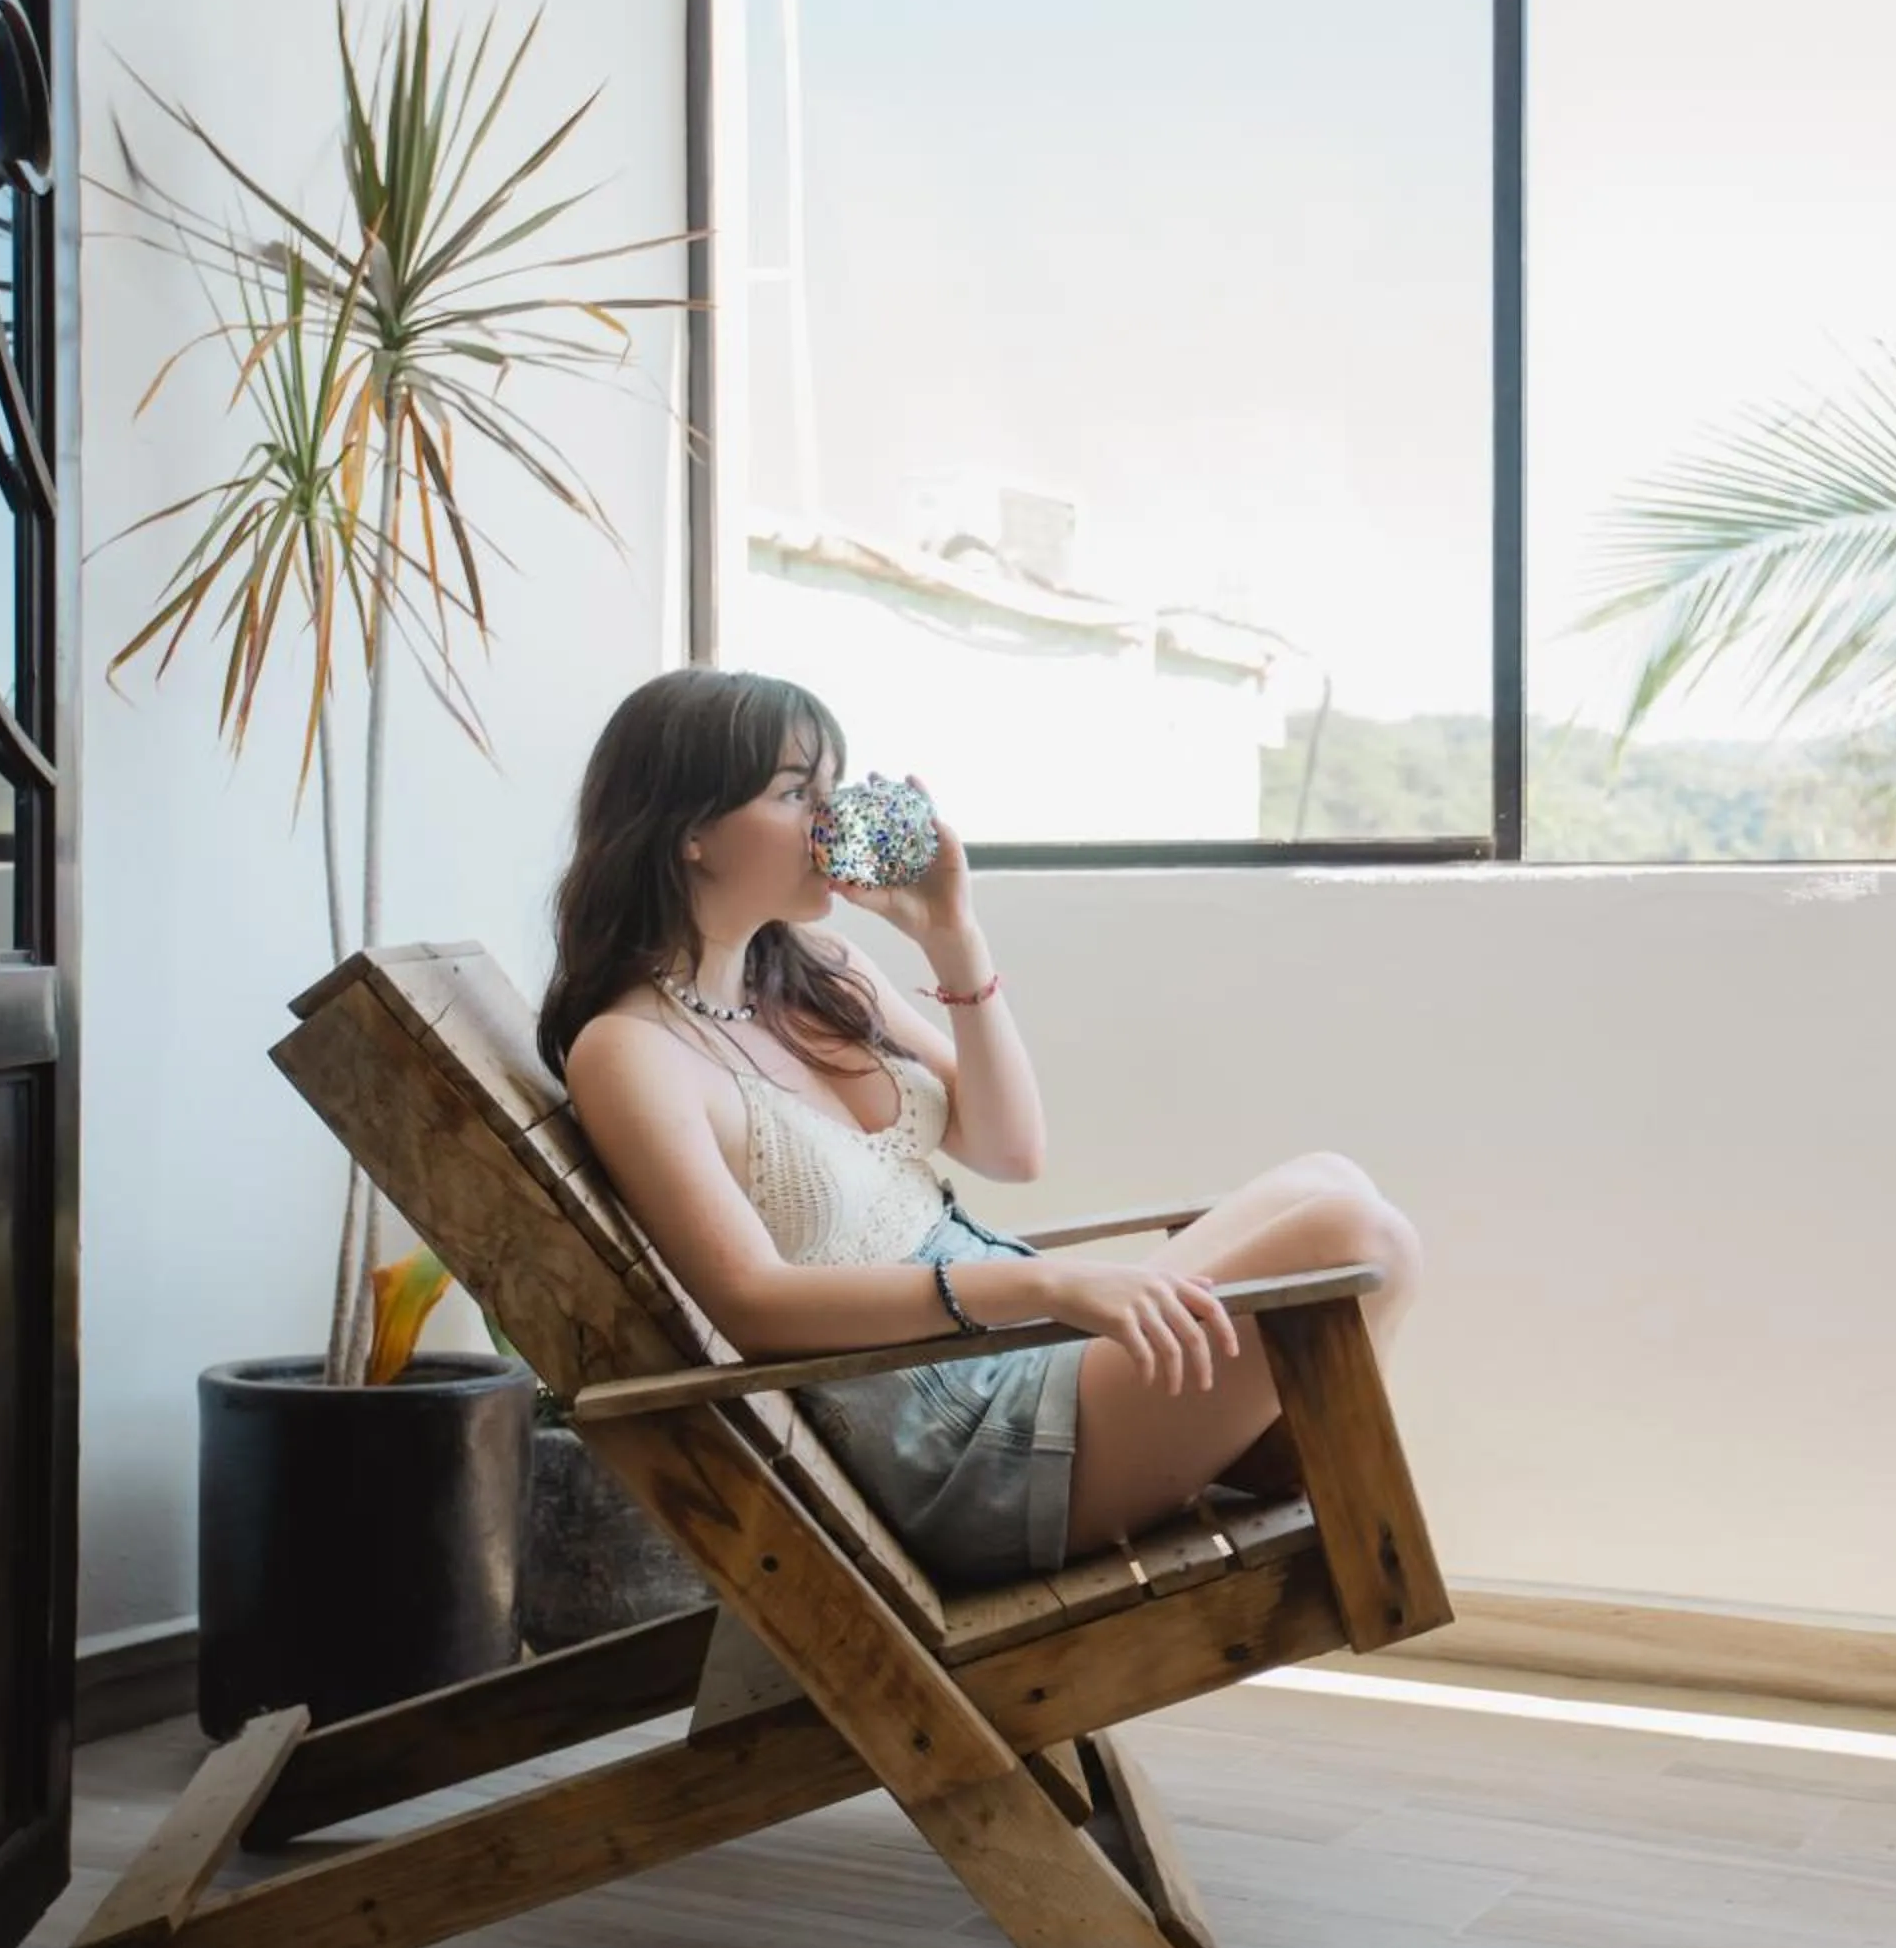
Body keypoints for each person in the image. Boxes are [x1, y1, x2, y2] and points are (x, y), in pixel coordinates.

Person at [537, 668, 1422, 1587]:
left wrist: (951, 938)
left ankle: (1259, 1445)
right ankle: (1299, 1474)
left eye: (831, 790)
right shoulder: (631, 1051)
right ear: (689, 831)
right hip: (956, 1436)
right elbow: (752, 1304)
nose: (830, 822)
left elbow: (1010, 1149)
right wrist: (1038, 1286)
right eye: (797, 792)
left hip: (1016, 1344)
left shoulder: (817, 971)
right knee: (1355, 1239)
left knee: (1330, 1182)